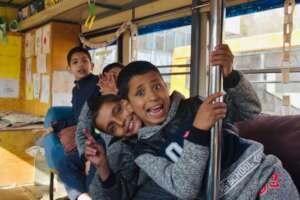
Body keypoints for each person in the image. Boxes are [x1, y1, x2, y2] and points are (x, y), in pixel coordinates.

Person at [113, 45, 298, 199]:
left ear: (165, 85)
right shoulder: (145, 152)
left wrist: (231, 76)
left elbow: (249, 111)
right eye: (140, 93)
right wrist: (198, 132)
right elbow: (184, 189)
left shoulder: (196, 105)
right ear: (128, 105)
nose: (153, 96)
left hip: (263, 177)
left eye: (157, 86)